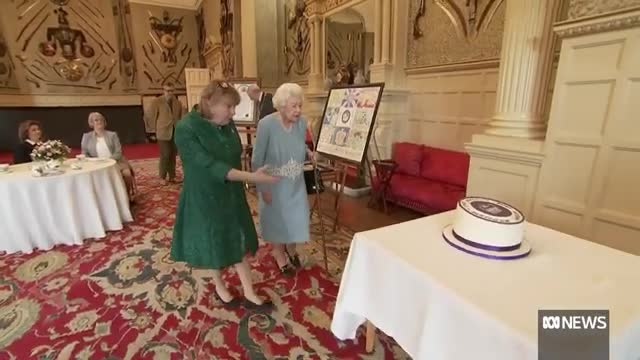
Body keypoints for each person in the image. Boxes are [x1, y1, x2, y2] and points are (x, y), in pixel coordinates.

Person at [171, 81, 279, 310]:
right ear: (209, 103)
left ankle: (249, 292)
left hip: (231, 192)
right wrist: (251, 177)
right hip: (204, 196)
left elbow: (233, 153)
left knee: (237, 238)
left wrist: (252, 172)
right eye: (229, 107)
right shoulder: (185, 128)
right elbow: (208, 166)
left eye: (234, 107)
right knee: (214, 241)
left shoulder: (226, 123)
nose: (233, 112)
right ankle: (219, 285)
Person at [252, 83, 314, 275]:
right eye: (294, 106)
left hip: (296, 182)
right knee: (277, 221)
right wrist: (263, 189)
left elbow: (298, 144)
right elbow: (256, 160)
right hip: (274, 183)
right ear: (281, 105)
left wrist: (309, 152)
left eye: (300, 106)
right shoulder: (266, 125)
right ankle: (279, 255)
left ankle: (291, 248)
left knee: (297, 218)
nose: (298, 110)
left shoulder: (302, 122)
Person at [81, 112, 137, 200]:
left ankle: (127, 195)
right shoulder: (87, 137)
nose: (99, 122)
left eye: (101, 120)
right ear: (91, 123)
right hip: (96, 165)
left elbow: (118, 152)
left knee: (127, 174)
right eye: (96, 120)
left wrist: (108, 160)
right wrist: (93, 162)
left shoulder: (112, 135)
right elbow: (84, 153)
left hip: (115, 162)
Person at [147, 83, 184, 184]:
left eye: (172, 91)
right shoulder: (157, 102)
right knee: (165, 154)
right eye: (168, 91)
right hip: (162, 132)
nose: (170, 93)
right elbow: (151, 116)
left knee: (173, 154)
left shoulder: (178, 103)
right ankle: (162, 177)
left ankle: (172, 176)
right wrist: (152, 131)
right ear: (163, 91)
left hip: (175, 131)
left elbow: (180, 117)